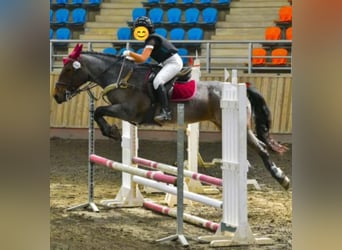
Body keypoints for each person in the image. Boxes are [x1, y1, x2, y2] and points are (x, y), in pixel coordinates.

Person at [122, 16, 183, 122]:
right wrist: (130, 58)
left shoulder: (152, 40)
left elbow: (142, 58)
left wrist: (129, 53)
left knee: (157, 81)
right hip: (165, 63)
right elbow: (141, 60)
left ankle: (166, 112)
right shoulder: (150, 40)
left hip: (173, 63)